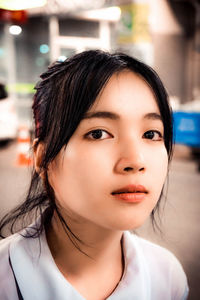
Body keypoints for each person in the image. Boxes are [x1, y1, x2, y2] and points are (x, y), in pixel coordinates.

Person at [0, 50, 189, 300]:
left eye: (151, 134)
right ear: (43, 158)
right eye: (99, 133)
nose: (135, 161)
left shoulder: (167, 278)